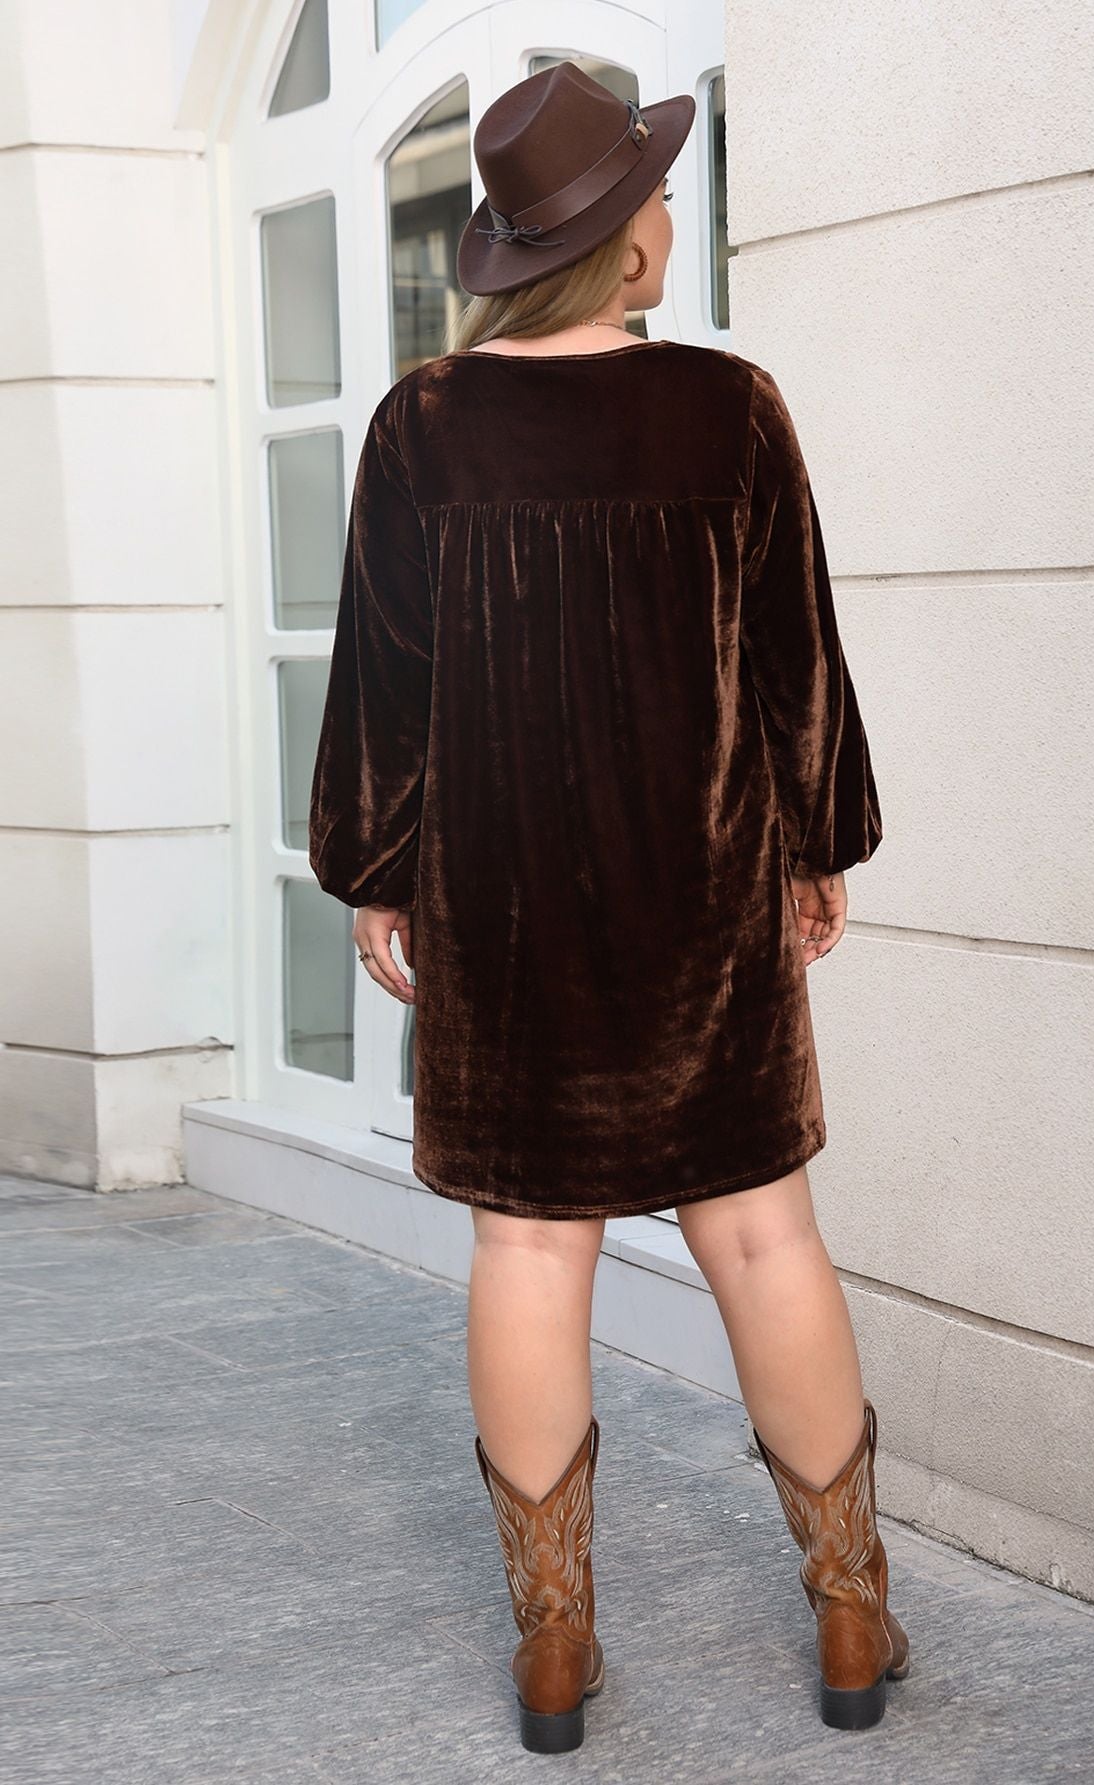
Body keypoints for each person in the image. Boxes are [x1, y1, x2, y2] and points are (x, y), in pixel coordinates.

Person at [308, 59, 910, 1754]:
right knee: (764, 1233)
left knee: (525, 1246)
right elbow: (797, 660)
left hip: (502, 909)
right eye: (652, 193)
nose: (662, 213)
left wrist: (375, 865)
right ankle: (851, 1608)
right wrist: (817, 840)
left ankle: (557, 1647)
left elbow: (385, 683)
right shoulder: (734, 410)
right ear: (630, 244)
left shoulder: (422, 425)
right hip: (703, 899)